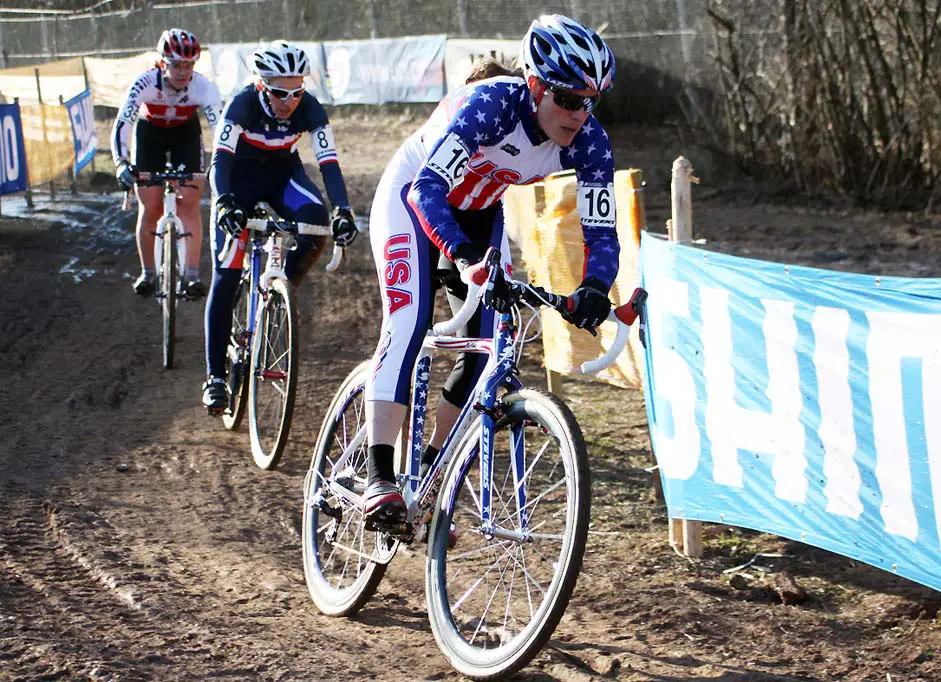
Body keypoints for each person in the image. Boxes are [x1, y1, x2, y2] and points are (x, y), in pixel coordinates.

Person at [361, 14, 619, 528]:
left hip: (480, 211)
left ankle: (431, 473)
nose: (579, 114)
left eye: (590, 101)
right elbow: (426, 190)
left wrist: (594, 286)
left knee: (487, 350)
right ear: (537, 85)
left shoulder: (590, 142)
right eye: (568, 99)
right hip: (412, 196)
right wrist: (460, 257)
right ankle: (379, 476)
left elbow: (602, 231)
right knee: (409, 320)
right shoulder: (493, 107)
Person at [201, 40, 358, 412]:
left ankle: (282, 292)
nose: (289, 100)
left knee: (316, 219)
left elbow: (329, 164)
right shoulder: (241, 105)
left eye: (297, 90)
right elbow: (219, 161)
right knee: (226, 272)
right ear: (261, 85)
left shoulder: (311, 109)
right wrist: (224, 202)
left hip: (282, 176)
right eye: (279, 92)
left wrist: (343, 210)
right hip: (237, 181)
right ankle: (216, 377)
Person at [111, 28, 221, 299]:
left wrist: (222, 163)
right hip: (150, 134)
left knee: (189, 204)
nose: (184, 73)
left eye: (189, 66)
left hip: (185, 133)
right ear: (162, 63)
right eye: (176, 66)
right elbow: (123, 122)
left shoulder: (203, 87)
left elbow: (220, 129)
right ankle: (148, 272)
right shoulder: (144, 83)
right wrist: (121, 162)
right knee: (151, 206)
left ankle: (191, 274)